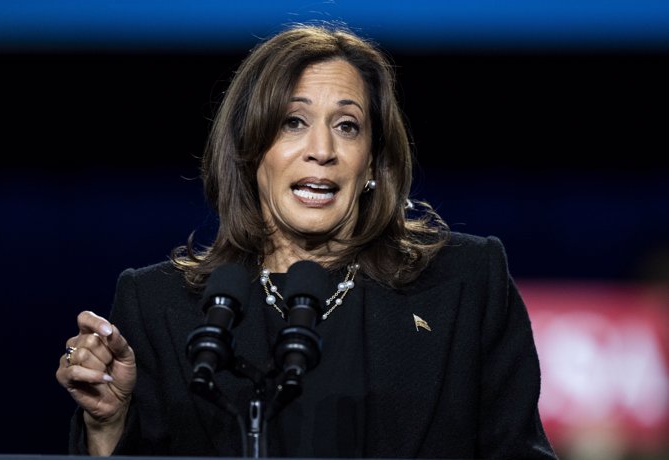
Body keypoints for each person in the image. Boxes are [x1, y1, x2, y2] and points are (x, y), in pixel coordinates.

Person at [55, 22, 558, 459]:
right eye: (293, 122)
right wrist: (107, 423)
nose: (323, 150)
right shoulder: (161, 305)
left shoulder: (467, 282)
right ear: (251, 151)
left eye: (347, 126)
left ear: (372, 165)